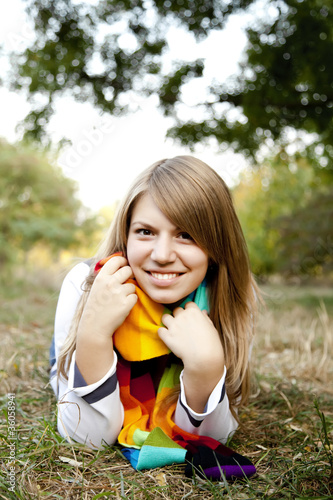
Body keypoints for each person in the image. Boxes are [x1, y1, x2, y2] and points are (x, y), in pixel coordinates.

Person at [50, 155, 258, 480]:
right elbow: (87, 439)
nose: (161, 255)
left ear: (217, 246)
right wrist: (93, 335)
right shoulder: (86, 282)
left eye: (186, 234)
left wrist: (205, 370)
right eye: (145, 231)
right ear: (126, 235)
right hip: (73, 353)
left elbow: (215, 437)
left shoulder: (224, 297)